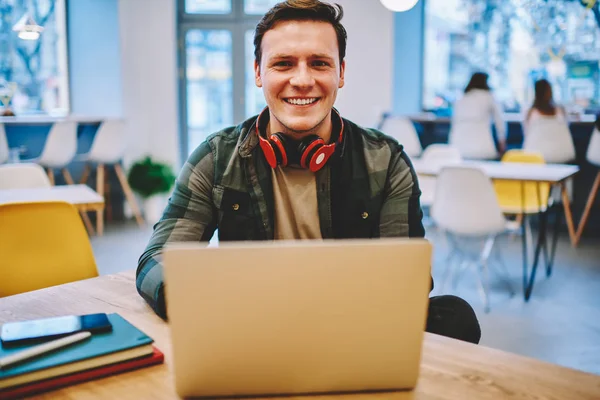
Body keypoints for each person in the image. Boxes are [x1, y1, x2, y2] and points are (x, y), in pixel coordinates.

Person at [136, 0, 481, 344]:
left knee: (455, 317)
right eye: (283, 64)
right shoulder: (216, 157)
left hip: (349, 328)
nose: (302, 80)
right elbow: (156, 261)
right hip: (252, 326)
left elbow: (406, 280)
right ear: (258, 72)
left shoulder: (386, 161)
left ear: (340, 73)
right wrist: (214, 303)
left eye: (319, 63)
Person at [449, 72, 506, 159]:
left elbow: (454, 123)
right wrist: (502, 142)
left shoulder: (462, 98)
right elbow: (500, 122)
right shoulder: (489, 96)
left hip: (458, 148)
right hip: (482, 149)